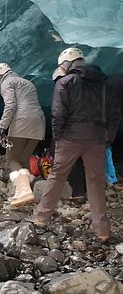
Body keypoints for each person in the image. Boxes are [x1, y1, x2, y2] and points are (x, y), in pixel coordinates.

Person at [32, 47, 120, 242]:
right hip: (97, 139)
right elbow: (114, 114)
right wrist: (108, 137)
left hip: (71, 137)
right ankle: (102, 230)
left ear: (66, 64)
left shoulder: (65, 82)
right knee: (96, 183)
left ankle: (41, 218)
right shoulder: (104, 84)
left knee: (57, 177)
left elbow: (57, 113)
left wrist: (59, 137)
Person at [0, 63, 46, 207]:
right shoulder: (27, 82)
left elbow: (11, 105)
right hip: (39, 123)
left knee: (11, 159)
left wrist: (2, 127)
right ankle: (28, 193)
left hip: (22, 123)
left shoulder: (7, 83)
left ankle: (24, 190)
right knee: (23, 158)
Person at [52, 67, 86, 200]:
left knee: (68, 161)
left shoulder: (63, 89)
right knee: (82, 161)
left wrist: (57, 136)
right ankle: (83, 191)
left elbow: (59, 113)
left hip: (71, 130)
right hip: (89, 130)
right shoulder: (84, 87)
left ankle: (74, 192)